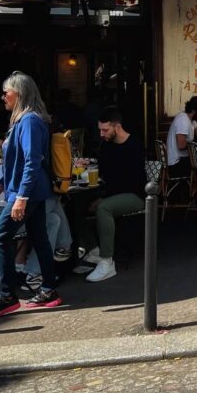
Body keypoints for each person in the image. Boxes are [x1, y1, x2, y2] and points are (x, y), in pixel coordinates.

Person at [0, 72, 61, 319]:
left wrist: (21, 197)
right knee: (39, 236)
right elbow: (19, 160)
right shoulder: (25, 121)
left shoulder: (29, 122)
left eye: (7, 92)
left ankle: (7, 296)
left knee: (0, 236)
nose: (3, 96)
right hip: (29, 189)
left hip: (28, 191)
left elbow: (32, 161)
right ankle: (48, 290)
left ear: (20, 94)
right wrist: (3, 183)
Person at [80, 107, 146, 282]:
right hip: (113, 192)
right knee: (77, 204)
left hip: (135, 196)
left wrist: (104, 197)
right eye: (100, 129)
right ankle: (93, 249)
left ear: (117, 127)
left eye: (105, 130)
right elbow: (104, 172)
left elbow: (132, 181)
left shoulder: (134, 146)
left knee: (103, 208)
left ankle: (107, 262)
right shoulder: (107, 146)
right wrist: (88, 163)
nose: (101, 133)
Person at [166, 95, 197, 177]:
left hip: (182, 159)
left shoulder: (191, 120)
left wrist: (195, 123)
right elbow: (181, 145)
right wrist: (195, 144)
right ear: (193, 110)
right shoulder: (183, 120)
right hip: (177, 162)